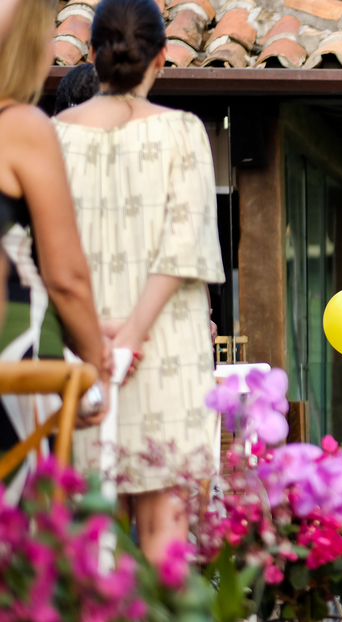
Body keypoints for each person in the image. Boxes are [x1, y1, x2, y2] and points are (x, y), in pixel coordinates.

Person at [55, 0, 224, 565]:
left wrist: (97, 335)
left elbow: (44, 257)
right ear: (162, 56)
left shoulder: (54, 135)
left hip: (81, 345)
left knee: (87, 525)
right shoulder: (183, 132)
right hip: (165, 342)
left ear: (91, 53)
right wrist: (133, 333)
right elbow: (183, 247)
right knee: (163, 529)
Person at [0, 0, 110, 495]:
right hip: (18, 368)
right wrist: (95, 367)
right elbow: (65, 276)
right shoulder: (22, 128)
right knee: (26, 544)